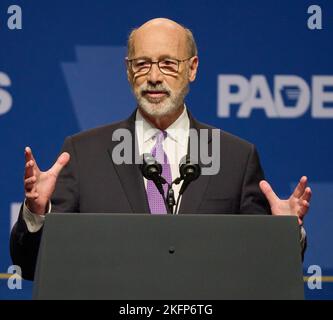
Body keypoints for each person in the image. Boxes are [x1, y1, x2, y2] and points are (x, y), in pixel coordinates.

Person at [10, 18, 312, 280]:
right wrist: (37, 214)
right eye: (142, 64)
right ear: (129, 71)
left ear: (192, 69)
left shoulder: (235, 157)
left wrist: (284, 233)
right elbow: (31, 265)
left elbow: (264, 268)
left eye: (168, 63)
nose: (154, 77)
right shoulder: (82, 153)